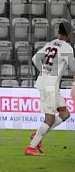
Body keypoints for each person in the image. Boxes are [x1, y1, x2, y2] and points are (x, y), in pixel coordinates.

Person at [25, 22, 75, 156]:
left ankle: (37, 135)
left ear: (58, 32)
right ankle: (31, 147)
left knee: (65, 114)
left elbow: (35, 59)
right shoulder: (67, 48)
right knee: (50, 119)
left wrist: (44, 72)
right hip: (50, 86)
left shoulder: (50, 44)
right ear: (70, 33)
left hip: (48, 83)